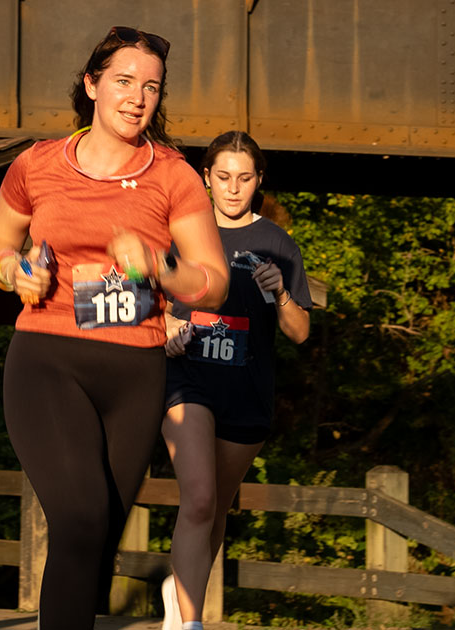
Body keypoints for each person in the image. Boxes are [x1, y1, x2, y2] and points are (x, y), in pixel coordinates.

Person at [0, 26, 229, 630]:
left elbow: (213, 282)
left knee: (98, 537)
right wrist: (11, 271)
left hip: (135, 371)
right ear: (91, 85)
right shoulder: (36, 163)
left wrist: (162, 266)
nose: (137, 97)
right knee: (82, 516)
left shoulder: (174, 176)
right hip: (48, 359)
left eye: (150, 87)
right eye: (122, 81)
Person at [159, 131, 312, 630]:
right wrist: (168, 328)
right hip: (187, 382)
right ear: (205, 177)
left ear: (259, 181)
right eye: (222, 177)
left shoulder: (277, 244)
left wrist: (280, 294)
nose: (232, 188)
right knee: (199, 499)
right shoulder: (181, 232)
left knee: (216, 509)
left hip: (247, 393)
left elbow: (300, 333)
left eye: (244, 179)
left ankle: (178, 586)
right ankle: (191, 622)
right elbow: (147, 301)